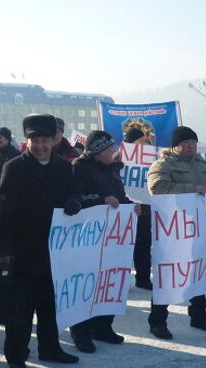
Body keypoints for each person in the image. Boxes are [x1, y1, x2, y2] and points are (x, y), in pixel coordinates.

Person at [0, 114, 79, 368]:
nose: (41, 146)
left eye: (45, 140)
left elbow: (70, 195)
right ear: (27, 141)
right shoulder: (14, 167)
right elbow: (3, 212)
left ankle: (50, 348)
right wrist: (4, 248)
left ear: (54, 140)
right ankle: (16, 355)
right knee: (20, 310)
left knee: (49, 305)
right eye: (35, 141)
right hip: (22, 250)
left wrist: (73, 203)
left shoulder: (64, 168)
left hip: (54, 249)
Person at [147, 126, 206, 340]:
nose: (191, 145)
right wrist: (190, 188)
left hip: (200, 230)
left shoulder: (205, 165)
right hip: (173, 231)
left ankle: (199, 316)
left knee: (199, 273)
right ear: (175, 145)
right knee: (168, 275)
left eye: (193, 142)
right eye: (185, 142)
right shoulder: (162, 164)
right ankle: (158, 321)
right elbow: (157, 187)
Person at [69, 130, 139, 353]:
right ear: (98, 151)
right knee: (87, 285)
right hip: (87, 237)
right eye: (109, 148)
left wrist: (130, 206)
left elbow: (118, 196)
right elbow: (75, 198)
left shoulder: (113, 170)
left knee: (109, 280)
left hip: (111, 238)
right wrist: (101, 200)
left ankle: (103, 326)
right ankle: (81, 333)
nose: (113, 151)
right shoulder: (79, 169)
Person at [124, 127, 153, 290]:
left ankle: (143, 278)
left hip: (144, 208)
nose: (143, 144)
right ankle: (120, 280)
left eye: (144, 141)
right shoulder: (118, 158)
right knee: (124, 245)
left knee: (144, 244)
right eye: (139, 141)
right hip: (125, 207)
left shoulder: (149, 158)